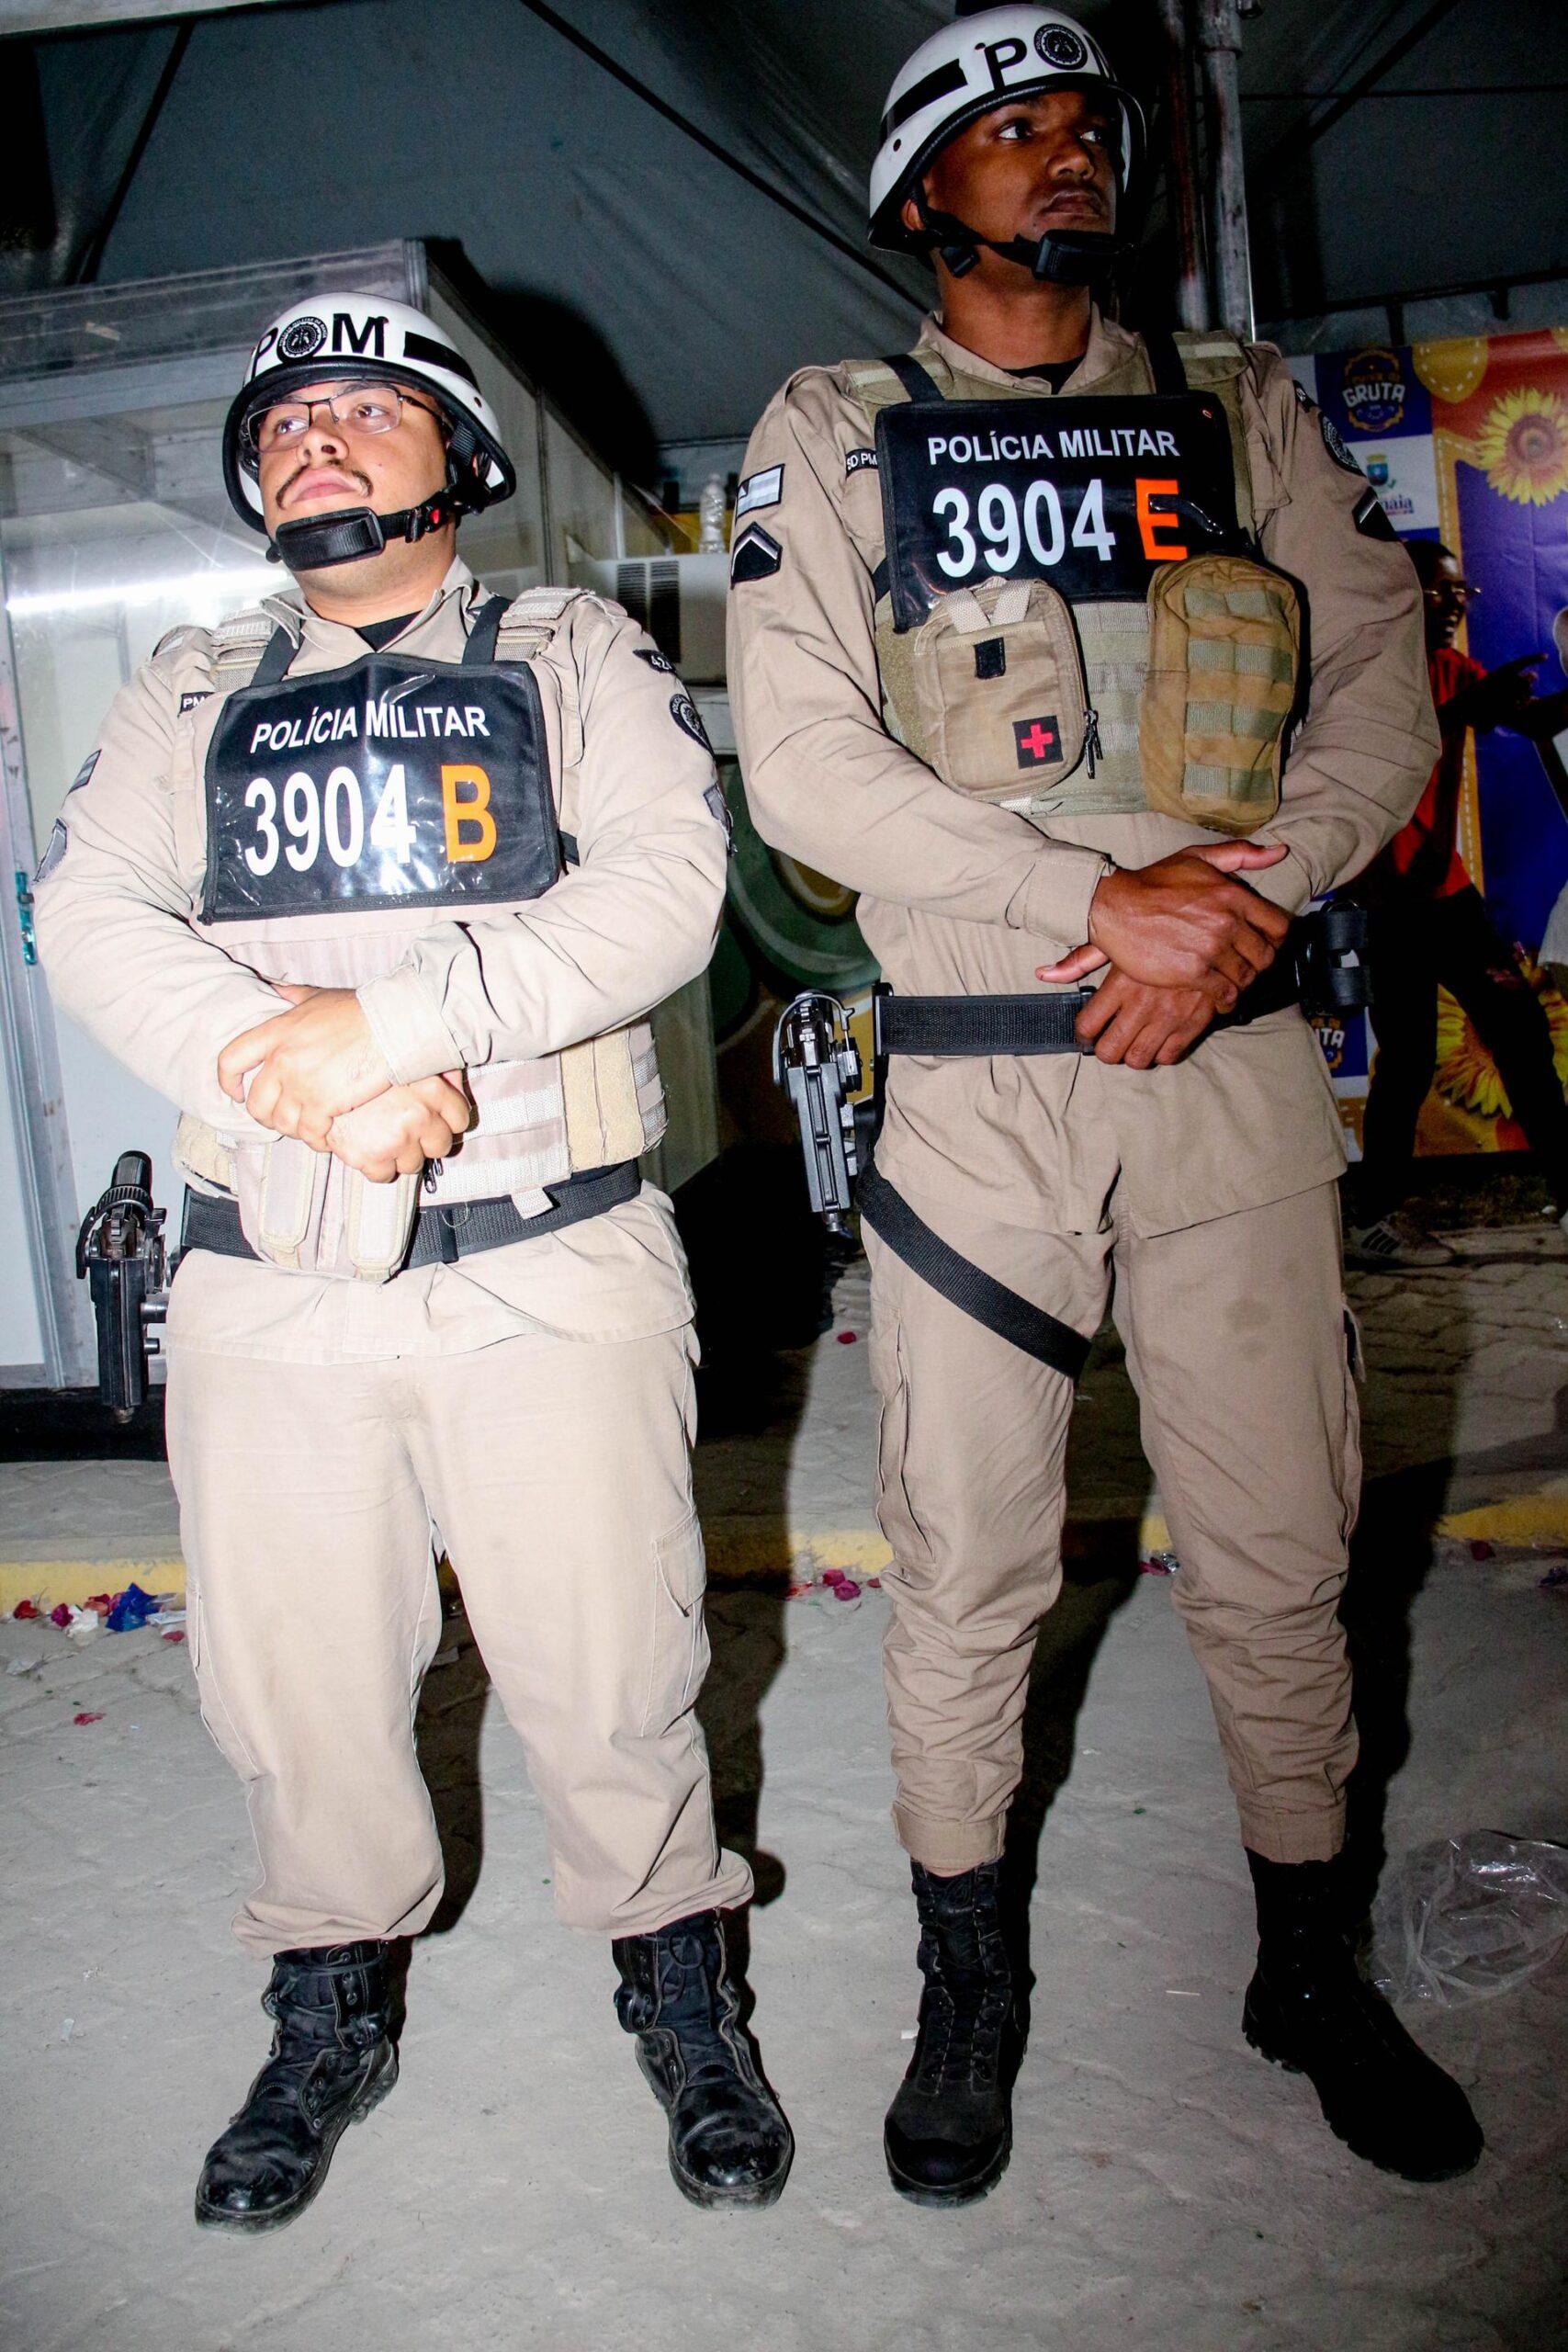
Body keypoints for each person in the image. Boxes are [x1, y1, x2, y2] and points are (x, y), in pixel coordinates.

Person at [728, 1, 1481, 2204]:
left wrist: (1239, 900)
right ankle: (966, 1987)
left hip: (1226, 1069)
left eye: (1083, 127)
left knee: (1278, 1550)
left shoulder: (1236, 411)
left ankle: (1304, 1963)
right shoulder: (835, 429)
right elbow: (804, 763)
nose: (1064, 154)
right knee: (967, 1564)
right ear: (916, 195)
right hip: (982, 1095)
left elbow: (1378, 688)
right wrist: (1097, 900)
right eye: (1009, 131)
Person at [34, 292, 792, 2229]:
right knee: (294, 1682)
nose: (316, 433)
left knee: (613, 1660)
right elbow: (93, 914)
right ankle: (329, 1998)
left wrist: (391, 1029)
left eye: (368, 406)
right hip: (271, 1272)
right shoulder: (192, 686)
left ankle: (677, 1980)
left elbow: (661, 889)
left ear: (460, 460)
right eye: (285, 418)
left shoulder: (570, 650)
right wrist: (289, 1074)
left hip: (552, 1253)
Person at [1345, 539, 1568, 1265]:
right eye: (1439, 591)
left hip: (1447, 897)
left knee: (1521, 1035)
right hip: (1385, 905)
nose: (1453, 605)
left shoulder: (1454, 668)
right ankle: (1374, 1218)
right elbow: (1412, 731)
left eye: (1461, 593)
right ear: (1398, 590)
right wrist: (1463, 709)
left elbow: (1530, 721)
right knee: (1408, 1060)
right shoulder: (1360, 669)